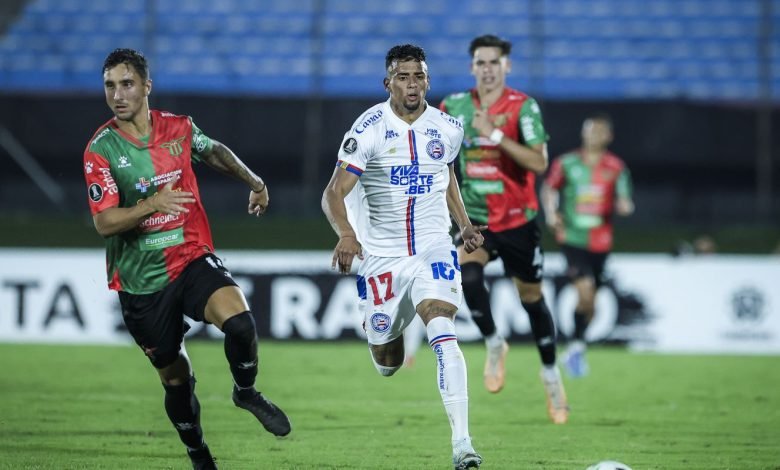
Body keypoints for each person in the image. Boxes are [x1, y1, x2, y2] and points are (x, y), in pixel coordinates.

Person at [82, 48, 291, 470]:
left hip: (190, 255)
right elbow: (105, 223)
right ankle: (199, 455)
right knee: (176, 379)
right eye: (110, 86)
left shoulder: (178, 128)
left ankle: (246, 392)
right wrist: (152, 204)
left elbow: (212, 151)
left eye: (127, 84)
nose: (118, 95)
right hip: (142, 284)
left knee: (241, 323)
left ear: (146, 86)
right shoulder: (101, 149)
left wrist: (256, 182)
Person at [322, 44, 485, 470]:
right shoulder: (369, 129)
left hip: (433, 246)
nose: (412, 85)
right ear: (388, 83)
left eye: (418, 76)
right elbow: (333, 192)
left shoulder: (447, 128)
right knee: (387, 363)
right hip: (382, 257)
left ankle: (463, 444)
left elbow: (446, 175)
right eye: (403, 77)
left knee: (443, 327)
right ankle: (386, 323)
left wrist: (464, 225)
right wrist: (346, 234)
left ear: (428, 81)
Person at [439, 34, 569, 424]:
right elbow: (441, 160)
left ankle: (551, 375)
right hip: (475, 219)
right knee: (467, 276)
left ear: (506, 66)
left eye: (494, 62)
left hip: (517, 220)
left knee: (532, 299)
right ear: (472, 67)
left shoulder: (522, 107)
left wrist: (494, 134)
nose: (487, 69)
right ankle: (495, 343)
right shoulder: (453, 106)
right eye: (481, 62)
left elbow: (539, 163)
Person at [540, 113, 634, 378]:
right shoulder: (567, 163)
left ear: (609, 136)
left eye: (599, 131)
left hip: (601, 242)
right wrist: (551, 213)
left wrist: (625, 205)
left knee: (591, 303)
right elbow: (549, 188)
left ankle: (576, 347)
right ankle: (575, 348)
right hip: (572, 239)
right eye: (590, 130)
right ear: (583, 133)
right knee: (585, 293)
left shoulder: (616, 167)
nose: (594, 135)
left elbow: (625, 198)